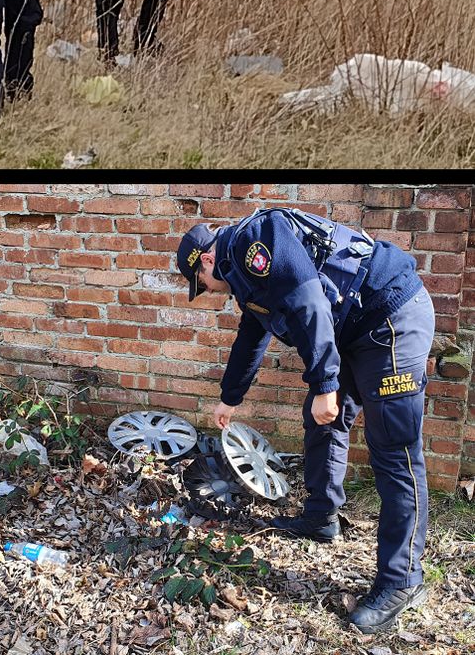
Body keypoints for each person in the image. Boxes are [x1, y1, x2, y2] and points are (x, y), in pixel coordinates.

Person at [176, 207, 434, 634]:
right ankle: (320, 518)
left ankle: (402, 579)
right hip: (353, 328)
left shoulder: (253, 241)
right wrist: (229, 399)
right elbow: (252, 335)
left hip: (390, 316)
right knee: (322, 423)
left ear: (205, 260)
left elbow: (308, 297)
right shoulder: (244, 276)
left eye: (200, 284)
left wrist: (326, 383)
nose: (207, 290)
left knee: (394, 448)